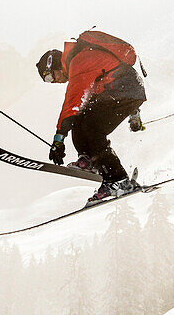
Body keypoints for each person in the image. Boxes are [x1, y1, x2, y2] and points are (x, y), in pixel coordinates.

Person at [36, 30, 147, 202]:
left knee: (92, 129)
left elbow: (72, 102)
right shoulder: (80, 60)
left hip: (124, 90)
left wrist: (59, 139)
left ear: (55, 65)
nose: (54, 82)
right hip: (124, 90)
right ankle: (89, 160)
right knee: (82, 120)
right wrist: (135, 115)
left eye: (50, 77)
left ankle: (119, 180)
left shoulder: (79, 62)